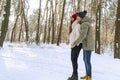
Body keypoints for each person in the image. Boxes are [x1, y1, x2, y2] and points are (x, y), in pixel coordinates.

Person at [71, 11, 94, 80]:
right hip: (86, 45)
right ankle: (87, 74)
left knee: (87, 61)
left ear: (81, 17)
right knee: (85, 60)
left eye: (78, 17)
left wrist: (74, 43)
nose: (76, 18)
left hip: (88, 45)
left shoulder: (85, 24)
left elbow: (82, 36)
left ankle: (89, 77)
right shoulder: (84, 23)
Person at [68, 13, 83, 80]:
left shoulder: (77, 26)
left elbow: (78, 36)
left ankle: (75, 76)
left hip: (77, 45)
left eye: (72, 18)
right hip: (74, 45)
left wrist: (74, 44)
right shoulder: (74, 25)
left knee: (74, 59)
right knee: (73, 59)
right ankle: (74, 75)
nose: (71, 19)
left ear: (74, 18)